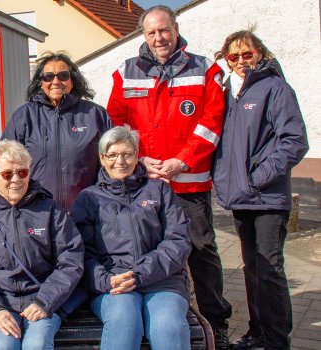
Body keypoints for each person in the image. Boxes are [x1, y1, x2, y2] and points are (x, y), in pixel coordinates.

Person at [106, 6, 232, 347]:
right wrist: (141, 159)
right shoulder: (125, 72)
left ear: (175, 30)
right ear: (143, 36)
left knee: (201, 250)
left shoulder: (206, 69)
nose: (158, 38)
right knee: (145, 248)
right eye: (151, 33)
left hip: (188, 182)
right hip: (142, 181)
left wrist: (182, 160)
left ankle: (216, 323)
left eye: (164, 30)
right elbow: (117, 124)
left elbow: (211, 123)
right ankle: (157, 311)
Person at [212, 29, 308, 350]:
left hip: (267, 196)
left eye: (246, 54)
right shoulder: (230, 93)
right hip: (242, 198)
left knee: (269, 269)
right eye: (233, 56)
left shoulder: (275, 88)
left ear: (260, 53)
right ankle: (257, 332)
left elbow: (294, 141)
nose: (240, 60)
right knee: (251, 268)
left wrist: (257, 178)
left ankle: (277, 340)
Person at [72, 126, 192, 350]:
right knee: (124, 323)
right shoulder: (88, 198)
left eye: (127, 154)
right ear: (102, 158)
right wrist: (104, 280)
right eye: (113, 155)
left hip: (162, 280)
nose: (121, 161)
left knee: (168, 327)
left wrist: (140, 274)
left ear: (138, 156)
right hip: (113, 283)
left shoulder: (159, 191)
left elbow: (178, 240)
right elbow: (81, 252)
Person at [0, 140, 84, 350]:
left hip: (43, 298)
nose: (15, 180)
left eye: (22, 173)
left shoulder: (50, 211)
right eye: (7, 174)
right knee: (4, 346)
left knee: (37, 345)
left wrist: (45, 301)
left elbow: (70, 259)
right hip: (2, 302)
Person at [1, 52, 111, 211]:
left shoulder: (95, 114)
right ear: (40, 82)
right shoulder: (24, 116)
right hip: (37, 212)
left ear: (72, 81)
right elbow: (5, 163)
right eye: (49, 76)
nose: (56, 81)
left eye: (63, 75)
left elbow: (111, 163)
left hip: (85, 212)